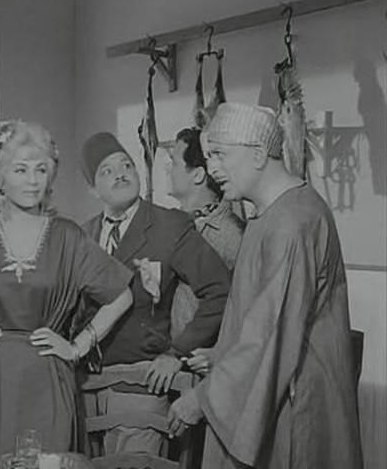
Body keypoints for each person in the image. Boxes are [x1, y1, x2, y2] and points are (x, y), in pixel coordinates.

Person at [0, 120, 133, 469]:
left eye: (41, 169)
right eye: (20, 169)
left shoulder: (68, 237)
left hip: (46, 382)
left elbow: (121, 296)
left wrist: (77, 346)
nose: (33, 180)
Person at [167, 102, 363, 469]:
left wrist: (203, 398)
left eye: (220, 154)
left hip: (292, 407)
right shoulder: (272, 215)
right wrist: (222, 353)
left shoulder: (292, 223)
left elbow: (271, 334)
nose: (212, 168)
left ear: (258, 154)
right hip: (269, 389)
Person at [77, 132, 231, 456]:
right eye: (107, 170)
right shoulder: (81, 236)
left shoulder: (169, 226)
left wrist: (176, 353)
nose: (121, 174)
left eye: (126, 165)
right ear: (92, 189)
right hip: (83, 387)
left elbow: (219, 290)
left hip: (140, 384)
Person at [165, 127, 245, 373]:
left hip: (204, 371)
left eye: (174, 163)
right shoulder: (171, 224)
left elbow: (247, 312)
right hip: (169, 365)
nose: (168, 170)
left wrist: (220, 354)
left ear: (198, 175)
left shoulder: (231, 237)